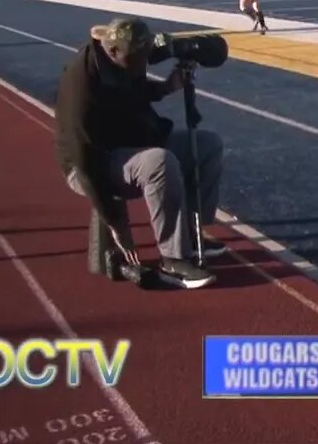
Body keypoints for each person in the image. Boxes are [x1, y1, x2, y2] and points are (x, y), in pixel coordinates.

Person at [54, 16, 227, 289]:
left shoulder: (128, 56)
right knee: (159, 161)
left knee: (208, 145)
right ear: (113, 52)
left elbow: (133, 89)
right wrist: (117, 224)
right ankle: (173, 260)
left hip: (129, 143)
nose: (144, 65)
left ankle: (192, 236)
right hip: (92, 162)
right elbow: (85, 163)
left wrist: (167, 86)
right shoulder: (81, 85)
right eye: (139, 60)